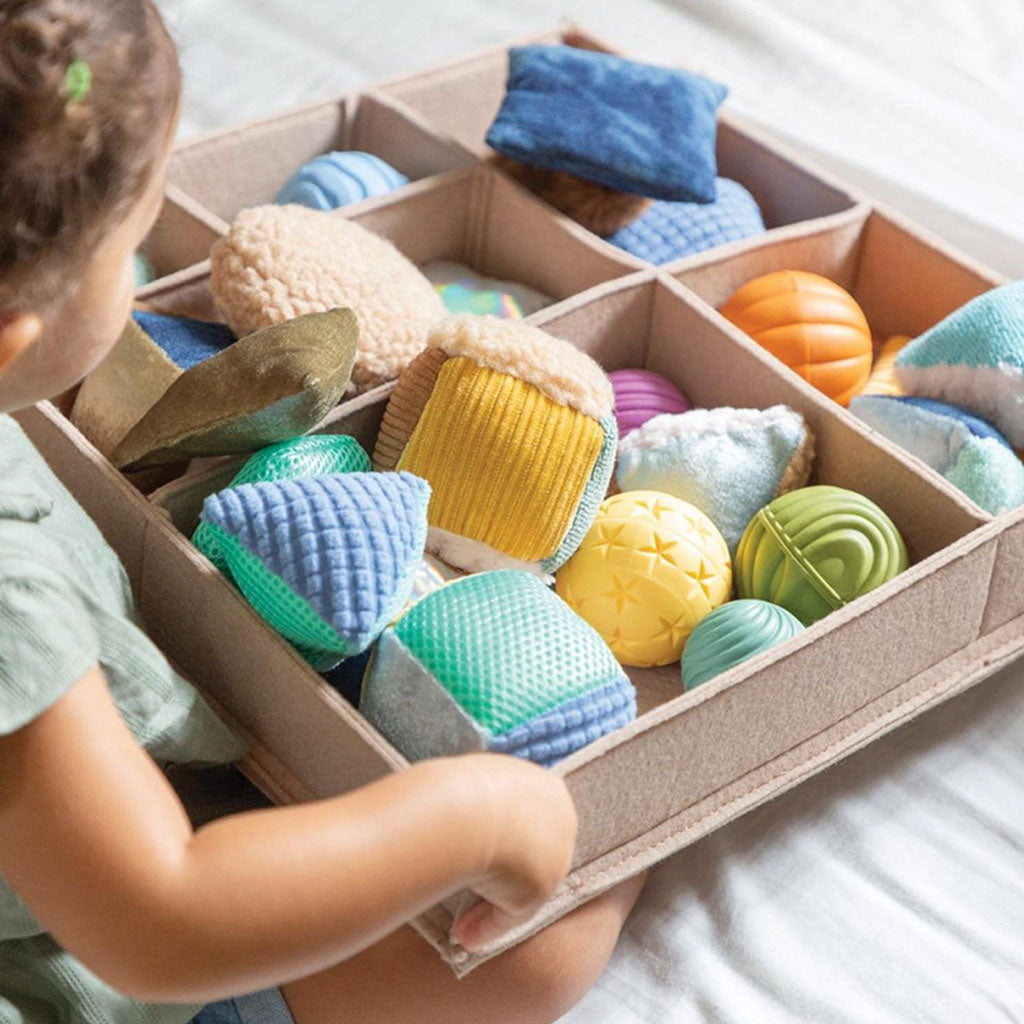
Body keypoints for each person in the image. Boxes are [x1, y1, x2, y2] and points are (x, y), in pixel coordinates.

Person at [0, 2, 647, 1023]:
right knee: (553, 930)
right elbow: (161, 918)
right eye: (132, 250)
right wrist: (470, 815)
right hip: (74, 949)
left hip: (96, 818)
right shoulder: (9, 606)